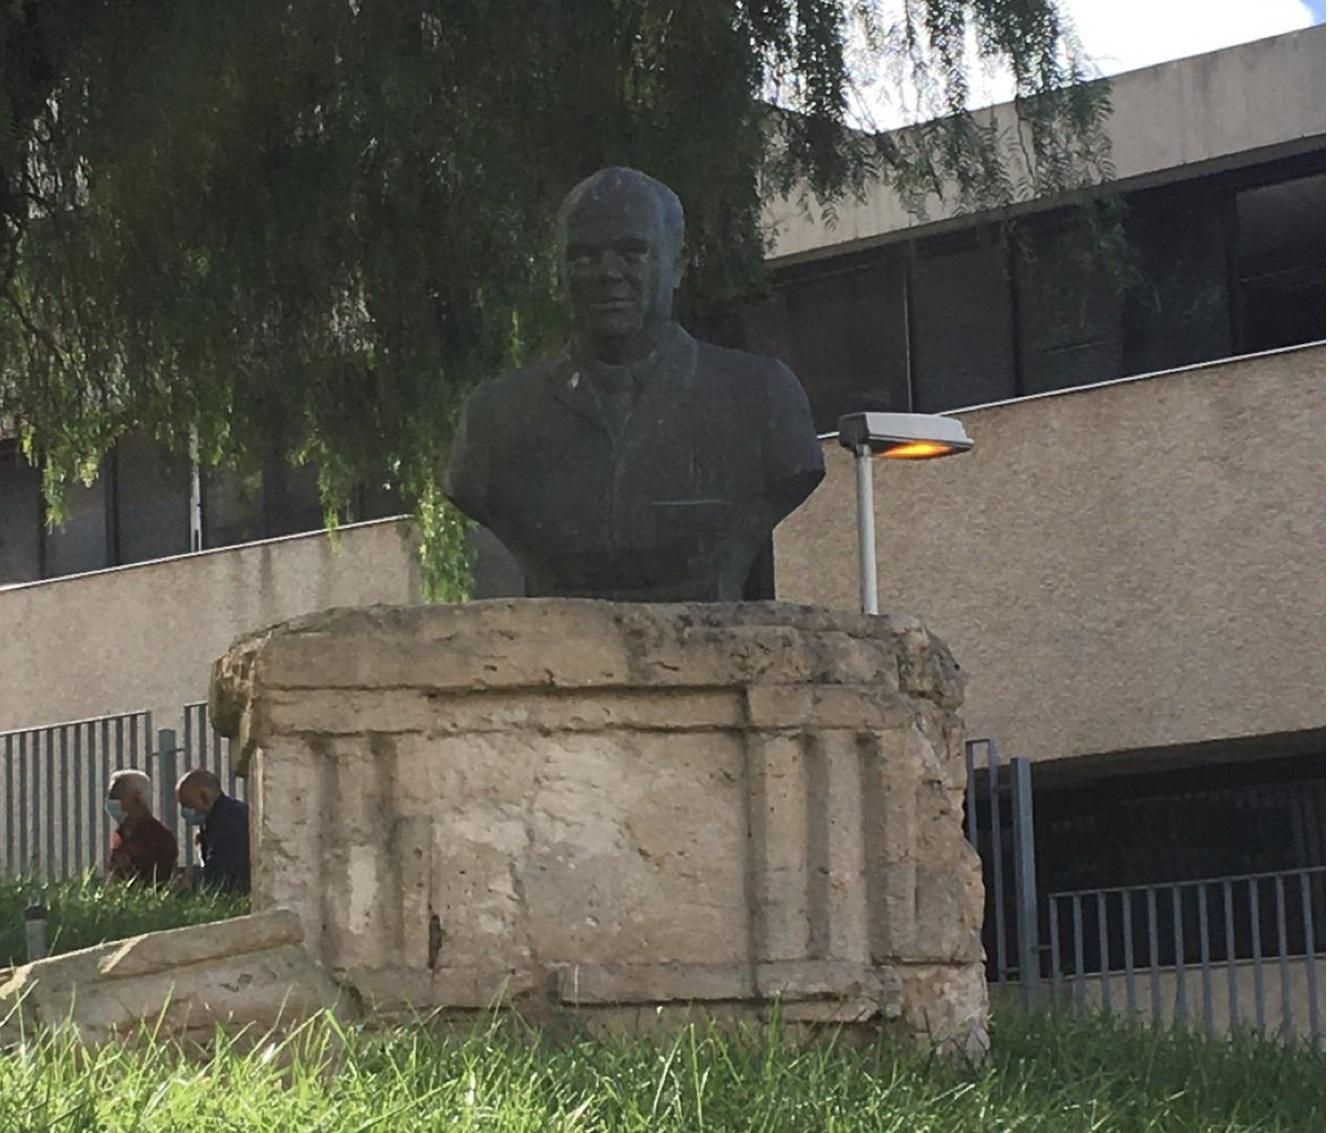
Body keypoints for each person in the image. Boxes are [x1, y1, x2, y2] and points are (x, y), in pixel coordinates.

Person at [446, 166, 824, 602]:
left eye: (632, 253)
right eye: (583, 257)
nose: (607, 273)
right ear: (559, 274)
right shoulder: (494, 417)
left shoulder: (762, 399)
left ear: (677, 266)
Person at [176, 768, 250, 893]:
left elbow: (218, 876)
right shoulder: (224, 815)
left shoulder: (227, 823)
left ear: (205, 797)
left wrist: (192, 883)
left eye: (188, 805)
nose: (185, 811)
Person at [105, 768, 178, 886]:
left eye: (116, 796)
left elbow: (158, 880)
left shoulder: (159, 838)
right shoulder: (121, 834)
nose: (110, 801)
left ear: (137, 798)